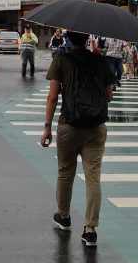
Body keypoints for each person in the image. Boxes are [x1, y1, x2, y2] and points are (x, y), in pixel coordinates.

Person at [39, 30, 115, 247]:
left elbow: (52, 97)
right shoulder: (100, 61)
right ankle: (90, 229)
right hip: (95, 127)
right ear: (88, 39)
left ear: (69, 39)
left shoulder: (61, 61)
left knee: (65, 172)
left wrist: (47, 127)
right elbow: (108, 95)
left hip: (69, 125)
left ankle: (64, 216)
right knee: (93, 177)